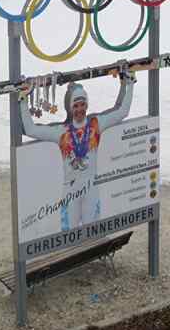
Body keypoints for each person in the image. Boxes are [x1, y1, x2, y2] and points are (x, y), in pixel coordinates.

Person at [17, 68, 135, 233]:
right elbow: (30, 129)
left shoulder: (96, 124)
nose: (80, 109)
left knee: (93, 231)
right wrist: (23, 99)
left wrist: (129, 83)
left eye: (82, 105)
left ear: (87, 105)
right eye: (75, 105)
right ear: (69, 107)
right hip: (70, 189)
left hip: (91, 186)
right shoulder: (61, 131)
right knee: (69, 233)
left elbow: (122, 111)